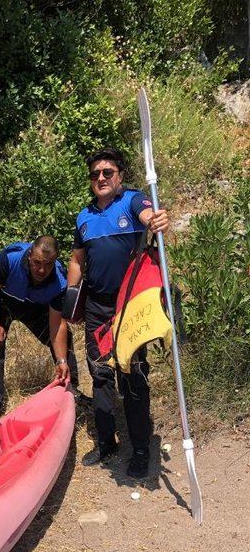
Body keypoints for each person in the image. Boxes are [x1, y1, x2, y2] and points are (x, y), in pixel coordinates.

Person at [67, 147, 169, 478]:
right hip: (97, 307)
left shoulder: (132, 201)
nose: (100, 178)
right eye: (95, 174)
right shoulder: (83, 217)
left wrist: (155, 219)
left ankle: (140, 449)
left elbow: (148, 215)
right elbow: (77, 260)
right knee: (99, 374)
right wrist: (72, 298)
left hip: (130, 307)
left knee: (132, 374)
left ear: (119, 176)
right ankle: (107, 442)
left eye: (107, 172)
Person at [0, 235, 80, 422]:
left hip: (35, 306)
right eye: (37, 263)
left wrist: (61, 359)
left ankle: (71, 389)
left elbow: (57, 324)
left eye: (48, 264)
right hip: (4, 301)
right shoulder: (10, 259)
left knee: (66, 340)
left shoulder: (59, 280)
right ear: (29, 255)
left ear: (55, 260)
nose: (42, 270)